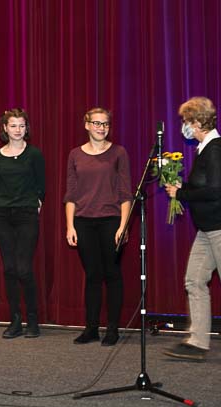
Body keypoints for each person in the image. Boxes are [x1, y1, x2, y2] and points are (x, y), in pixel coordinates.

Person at [64, 108, 132, 346]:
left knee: (112, 274)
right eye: (96, 123)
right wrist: (70, 226)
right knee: (92, 275)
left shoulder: (118, 153)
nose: (101, 128)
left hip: (111, 220)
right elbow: (71, 193)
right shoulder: (75, 154)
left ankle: (112, 329)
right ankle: (91, 328)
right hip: (83, 221)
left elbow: (125, 193)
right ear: (86, 125)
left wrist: (123, 225)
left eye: (105, 124)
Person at [163, 97, 221, 361]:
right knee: (194, 281)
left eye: (186, 121)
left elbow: (216, 190)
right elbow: (204, 187)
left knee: (195, 281)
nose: (184, 126)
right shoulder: (204, 148)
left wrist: (181, 193)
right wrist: (182, 188)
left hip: (218, 228)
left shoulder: (215, 149)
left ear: (197, 122)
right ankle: (197, 342)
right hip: (206, 229)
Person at [0, 109, 45, 339]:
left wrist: (36, 203)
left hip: (26, 215)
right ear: (5, 128)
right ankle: (15, 321)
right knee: (10, 269)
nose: (17, 130)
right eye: (13, 125)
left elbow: (41, 184)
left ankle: (32, 320)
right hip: (3, 215)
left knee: (24, 269)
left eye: (21, 125)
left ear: (26, 128)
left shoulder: (34, 154)